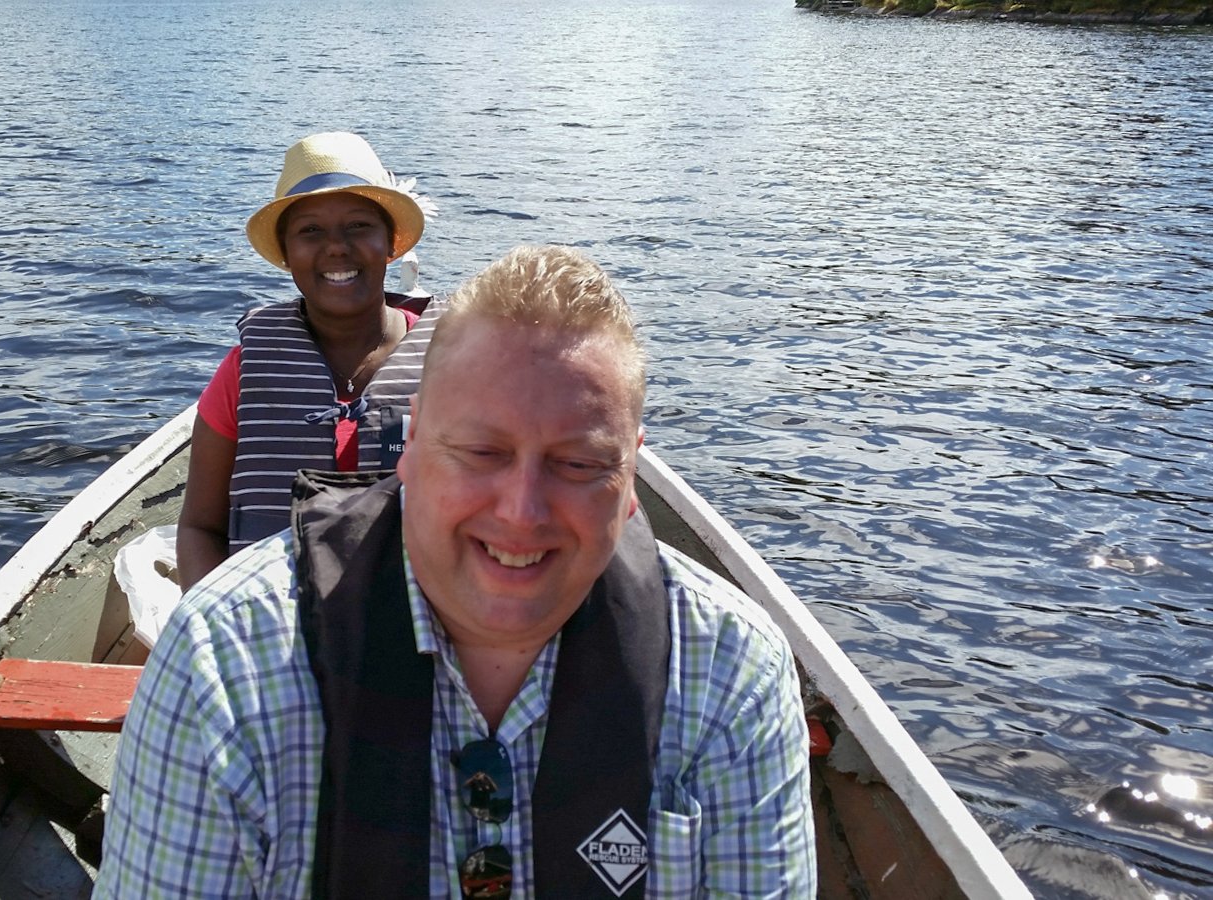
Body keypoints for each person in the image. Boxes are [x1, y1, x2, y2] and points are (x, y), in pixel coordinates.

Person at [98, 246, 814, 898]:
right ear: (410, 444)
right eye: (480, 452)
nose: (522, 513)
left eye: (579, 463)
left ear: (630, 479)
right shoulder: (224, 662)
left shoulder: (732, 669)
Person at [176, 131, 440, 590]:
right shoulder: (244, 371)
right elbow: (199, 527)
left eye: (358, 225)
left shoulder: (453, 365)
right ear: (286, 252)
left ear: (391, 243)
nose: (336, 247)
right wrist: (214, 622)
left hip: (417, 618)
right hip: (267, 618)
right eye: (310, 231)